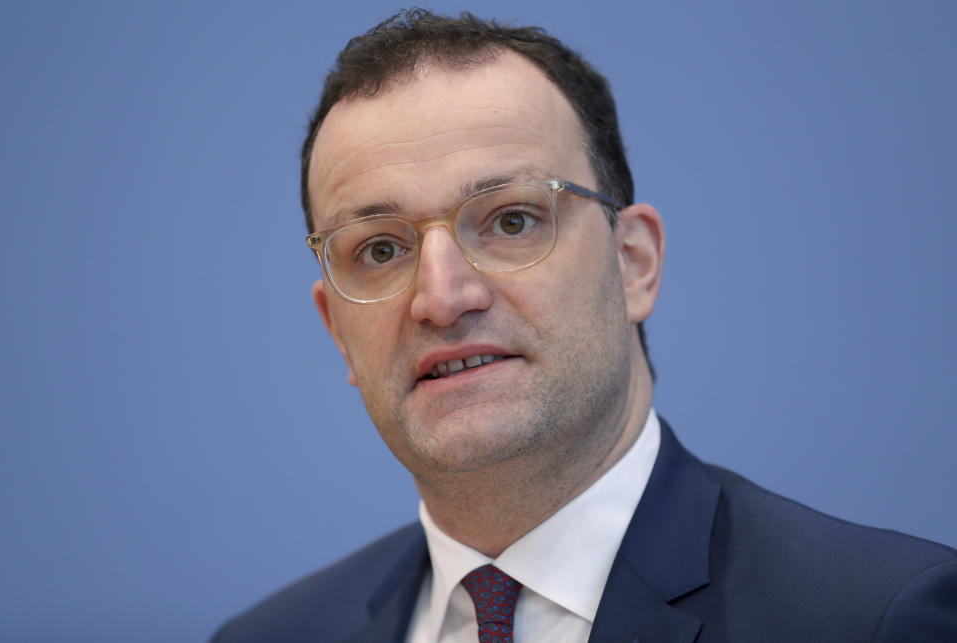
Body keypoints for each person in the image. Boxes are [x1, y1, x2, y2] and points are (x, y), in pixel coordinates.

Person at [212, 9, 957, 642]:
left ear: (633, 262)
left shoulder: (871, 616)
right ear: (338, 330)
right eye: (379, 249)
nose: (442, 297)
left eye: (509, 219)